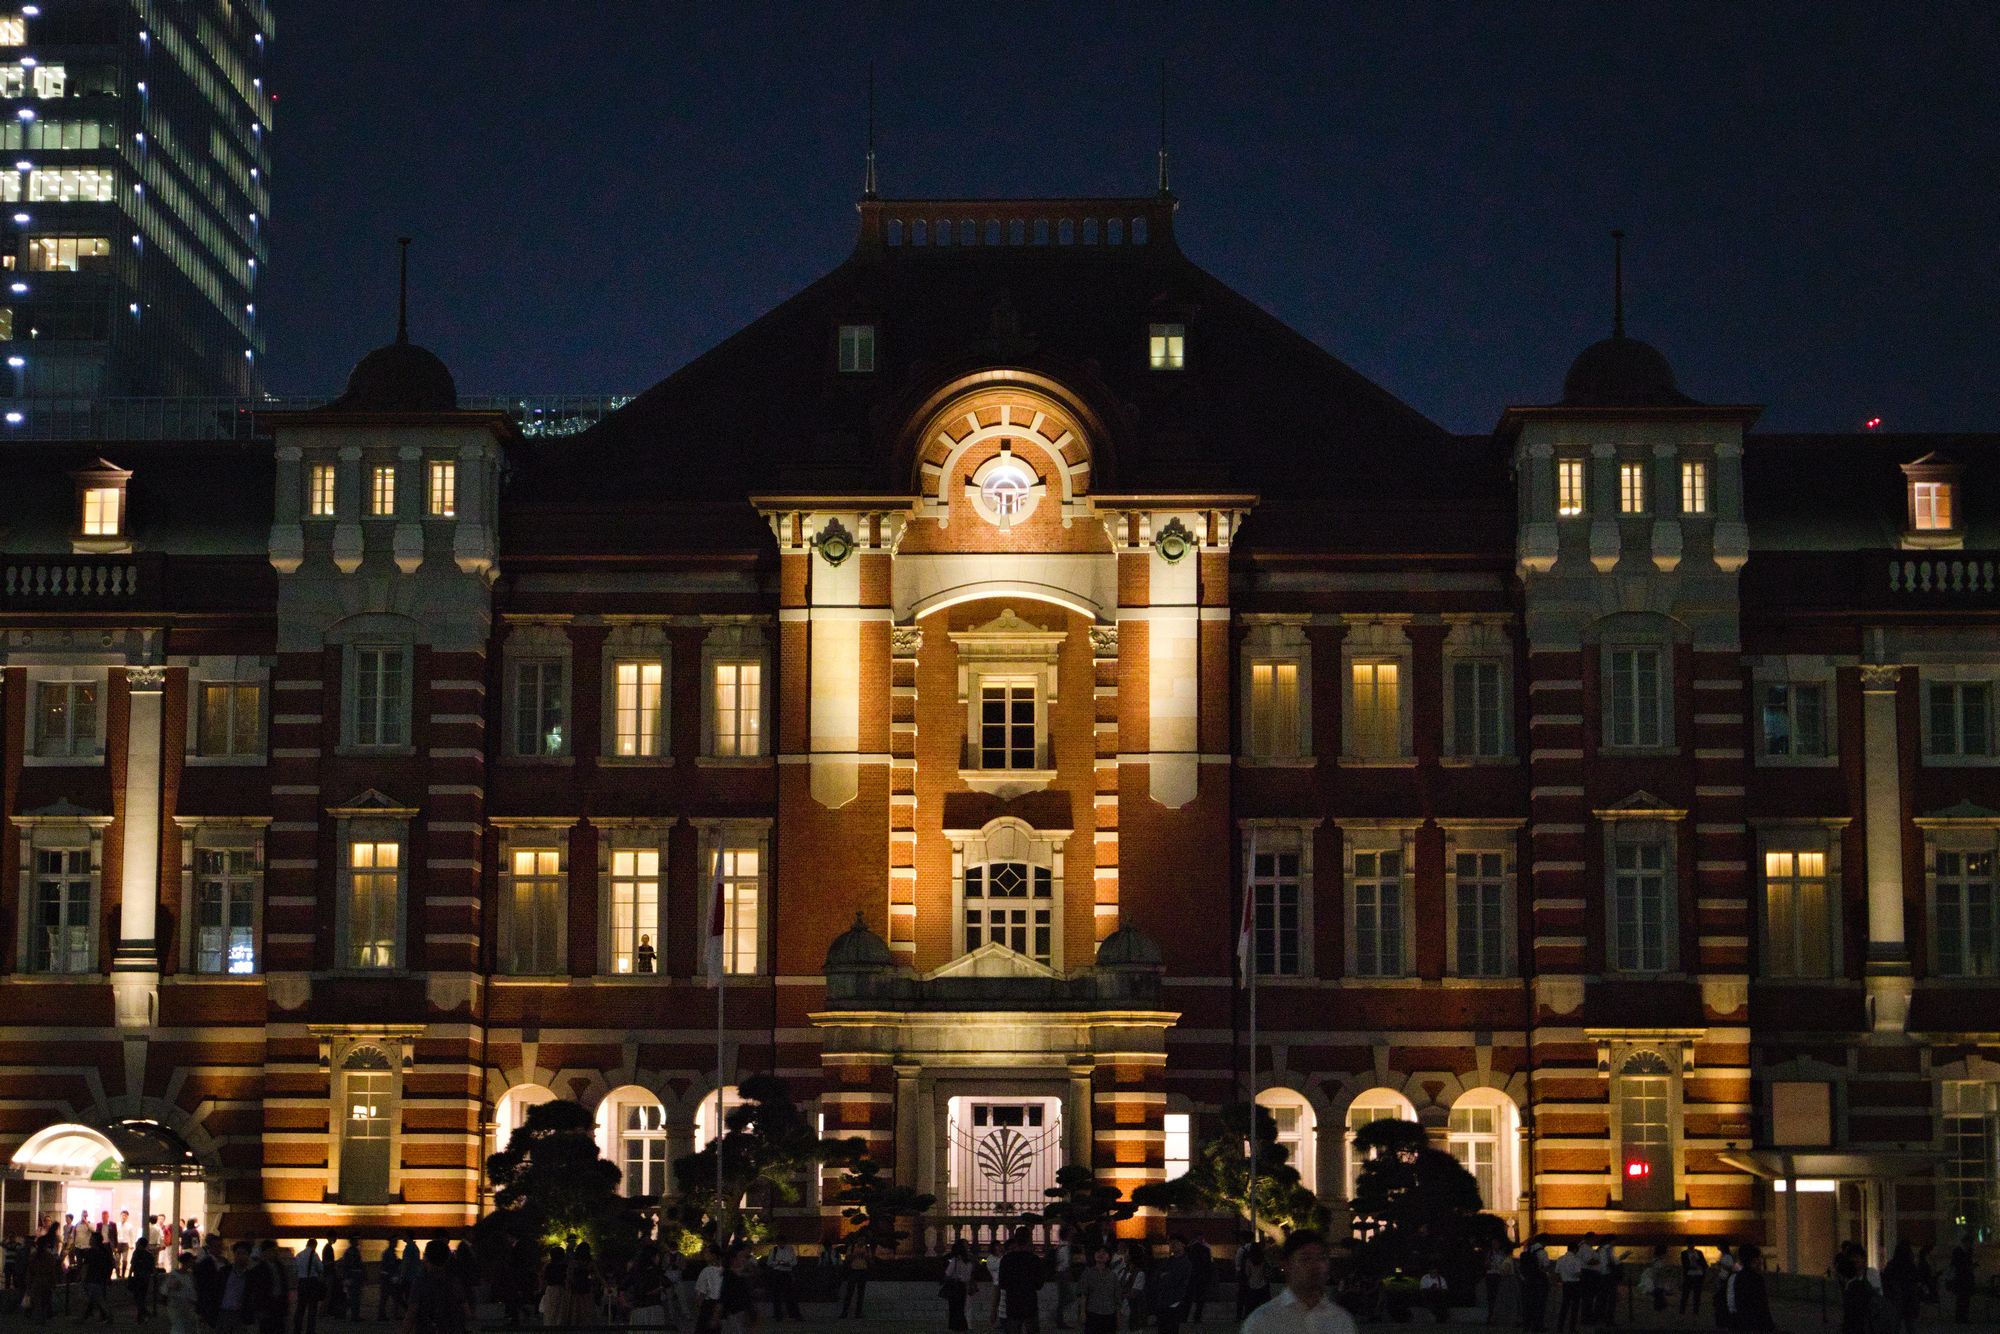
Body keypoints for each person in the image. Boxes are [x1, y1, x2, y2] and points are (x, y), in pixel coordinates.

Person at [1241, 1231, 1357, 1334]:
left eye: (1321, 1258)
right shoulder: (1262, 1321)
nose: (1315, 1266)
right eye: (1305, 1259)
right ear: (1287, 1265)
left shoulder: (1341, 1320)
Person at [401, 1240, 469, 1334]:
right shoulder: (453, 1281)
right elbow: (466, 1310)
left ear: (427, 1258)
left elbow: (411, 1313)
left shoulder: (421, 1282)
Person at [994, 1229, 1044, 1334]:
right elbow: (1039, 1285)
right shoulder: (1034, 1259)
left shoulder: (1006, 1259)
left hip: (1013, 1302)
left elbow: (1002, 1284)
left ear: (1015, 1241)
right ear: (1029, 1240)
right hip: (1029, 1301)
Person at [1719, 1244, 1773, 1332]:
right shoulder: (1756, 1278)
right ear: (1754, 1260)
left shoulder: (1736, 1277)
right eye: (1759, 1258)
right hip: (1754, 1323)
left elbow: (1732, 1302)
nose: (1761, 1261)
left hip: (1741, 1321)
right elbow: (1761, 1304)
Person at [1152, 1237, 1192, 1334]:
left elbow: (1175, 1279)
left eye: (1177, 1242)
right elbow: (1157, 1276)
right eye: (1171, 1242)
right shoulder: (1168, 1260)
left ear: (1183, 1245)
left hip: (1175, 1300)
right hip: (1164, 1300)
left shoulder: (1185, 1263)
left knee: (1171, 1328)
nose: (1173, 1245)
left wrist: (1165, 1276)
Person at [718, 1246, 760, 1334]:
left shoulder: (738, 1276)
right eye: (741, 1256)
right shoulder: (730, 1277)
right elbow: (724, 1297)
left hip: (739, 1312)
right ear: (733, 1260)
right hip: (734, 1312)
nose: (744, 1259)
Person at [1080, 1247, 1121, 1334]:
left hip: (1109, 1314)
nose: (1101, 1254)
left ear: (1109, 1257)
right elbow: (1084, 1294)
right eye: (1098, 1251)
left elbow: (1117, 1298)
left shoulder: (1113, 1276)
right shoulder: (1088, 1273)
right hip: (1093, 1313)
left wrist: (1118, 1317)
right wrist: (1082, 1312)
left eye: (1104, 1252)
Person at [1882, 1242, 1921, 1334]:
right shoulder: (1910, 1266)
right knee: (1910, 1325)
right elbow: (1916, 1280)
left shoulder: (1891, 1265)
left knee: (1895, 1325)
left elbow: (1886, 1281)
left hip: (1895, 1298)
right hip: (1909, 1298)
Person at [1517, 1236, 1551, 1334]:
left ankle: (1527, 1326)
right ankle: (1538, 1326)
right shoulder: (1542, 1252)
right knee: (1539, 1305)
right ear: (1544, 1242)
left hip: (1528, 1281)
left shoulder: (1528, 1249)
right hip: (1539, 1281)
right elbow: (1546, 1266)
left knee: (1528, 1304)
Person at [79, 1231, 115, 1322]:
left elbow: (86, 1266)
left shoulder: (91, 1252)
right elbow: (110, 1264)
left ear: (95, 1241)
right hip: (101, 1277)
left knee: (98, 1299)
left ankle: (108, 1315)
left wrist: (82, 1278)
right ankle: (87, 1316)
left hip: (93, 1278)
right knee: (96, 1298)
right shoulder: (104, 1251)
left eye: (91, 1239)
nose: (90, 1240)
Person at [942, 1240, 976, 1333]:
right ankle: (964, 1326)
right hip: (964, 1285)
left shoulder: (955, 1260)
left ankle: (956, 1327)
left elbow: (948, 1273)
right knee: (963, 1307)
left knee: (954, 1308)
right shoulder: (969, 1261)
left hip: (956, 1286)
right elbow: (970, 1274)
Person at [162, 1252, 200, 1334]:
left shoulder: (190, 1276)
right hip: (176, 1304)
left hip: (187, 1304)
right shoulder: (175, 1275)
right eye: (191, 1262)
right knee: (179, 1326)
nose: (192, 1264)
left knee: (185, 1326)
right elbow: (167, 1288)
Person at [295, 1239, 325, 1334]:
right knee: (312, 1309)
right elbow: (320, 1268)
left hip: (302, 1282)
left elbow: (295, 1270)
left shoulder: (299, 1255)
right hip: (312, 1282)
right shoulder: (314, 1255)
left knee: (300, 1308)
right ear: (314, 1245)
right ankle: (310, 1330)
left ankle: (297, 1329)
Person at [765, 1239, 800, 1322]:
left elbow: (794, 1261)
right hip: (777, 1273)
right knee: (777, 1295)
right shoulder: (774, 1250)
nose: (781, 1244)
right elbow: (769, 1262)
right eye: (780, 1243)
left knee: (790, 1295)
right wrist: (777, 1263)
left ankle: (793, 1314)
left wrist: (788, 1264)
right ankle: (778, 1315)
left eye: (782, 1242)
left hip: (786, 1273)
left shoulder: (790, 1249)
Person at [692, 1246, 725, 1334]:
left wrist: (698, 1304)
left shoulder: (707, 1271)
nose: (704, 1255)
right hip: (722, 1304)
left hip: (710, 1305)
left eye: (707, 1253)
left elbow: (701, 1292)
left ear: (713, 1255)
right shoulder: (725, 1270)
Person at [837, 1238, 872, 1319]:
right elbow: (847, 1259)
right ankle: (844, 1312)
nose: (862, 1241)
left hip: (863, 1271)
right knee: (849, 1292)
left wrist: (865, 1256)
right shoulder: (852, 1247)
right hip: (853, 1271)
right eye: (860, 1240)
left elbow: (869, 1260)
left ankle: (858, 1313)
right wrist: (855, 1254)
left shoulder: (867, 1248)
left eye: (863, 1240)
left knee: (861, 1293)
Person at [1554, 1245, 1585, 1334]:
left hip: (1565, 1284)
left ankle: (1560, 1327)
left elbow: (1557, 1272)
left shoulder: (1560, 1259)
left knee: (1564, 1306)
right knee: (1575, 1307)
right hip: (1575, 1284)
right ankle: (1572, 1328)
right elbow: (1578, 1273)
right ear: (1575, 1250)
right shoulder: (1576, 1260)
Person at [1946, 1235, 1976, 1325]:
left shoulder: (1964, 1251)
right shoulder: (1960, 1251)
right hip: (1961, 1277)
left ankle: (1962, 1317)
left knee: (1964, 1298)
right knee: (1962, 1298)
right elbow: (1957, 1264)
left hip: (1964, 1277)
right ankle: (1961, 1317)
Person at [130, 1234, 160, 1320]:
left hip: (138, 1277)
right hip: (145, 1278)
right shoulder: (149, 1255)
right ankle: (143, 1312)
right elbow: (152, 1267)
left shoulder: (137, 1253)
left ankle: (142, 1312)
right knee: (142, 1295)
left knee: (138, 1296)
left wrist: (129, 1275)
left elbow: (133, 1265)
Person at [1238, 1244, 1272, 1316]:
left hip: (1252, 1285)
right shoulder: (1264, 1260)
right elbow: (1268, 1271)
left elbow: (1247, 1273)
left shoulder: (1249, 1261)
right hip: (1263, 1284)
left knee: (1250, 1308)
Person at [1186, 1236, 1213, 1324]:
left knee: (1188, 1297)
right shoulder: (1205, 1249)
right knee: (1200, 1298)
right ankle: (1197, 1316)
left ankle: (1185, 1316)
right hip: (1202, 1276)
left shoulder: (1189, 1249)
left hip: (1192, 1276)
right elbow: (1209, 1264)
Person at [1485, 1240, 1512, 1323]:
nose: (1495, 1245)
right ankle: (1491, 1316)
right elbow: (1486, 1264)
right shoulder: (1490, 1254)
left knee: (1498, 1296)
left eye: (1496, 1244)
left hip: (1499, 1275)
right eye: (1493, 1244)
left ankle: (1496, 1316)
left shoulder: (1502, 1254)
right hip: (1491, 1275)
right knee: (1491, 1297)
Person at [1680, 1243, 1709, 1317]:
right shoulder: (1684, 1253)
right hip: (1689, 1275)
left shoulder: (1698, 1253)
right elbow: (1684, 1264)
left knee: (1696, 1294)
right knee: (1685, 1294)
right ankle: (1682, 1310)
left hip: (1698, 1275)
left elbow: (1704, 1263)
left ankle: (1695, 1311)